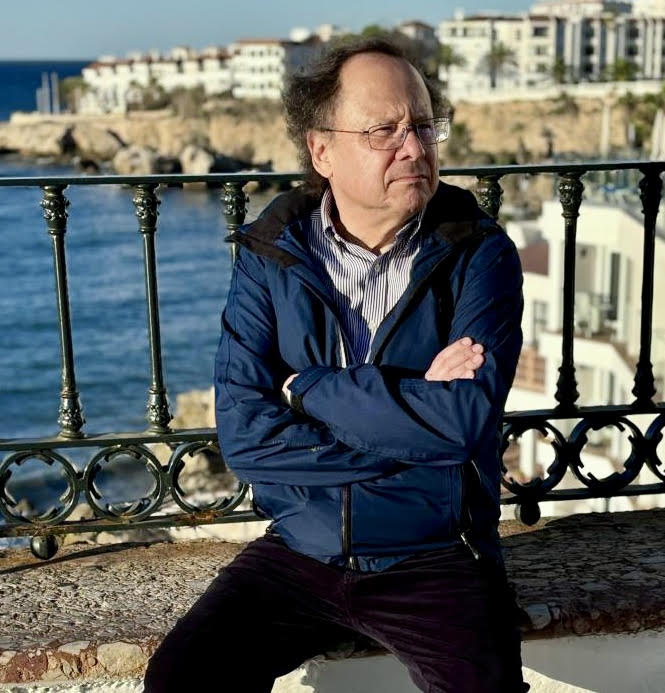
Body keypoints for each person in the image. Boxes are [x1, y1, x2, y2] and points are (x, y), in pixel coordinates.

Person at [144, 37, 527, 692]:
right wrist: (409, 433)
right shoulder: (269, 255)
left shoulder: (478, 254)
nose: (414, 148)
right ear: (321, 150)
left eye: (423, 125)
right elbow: (245, 437)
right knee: (182, 678)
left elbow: (461, 424)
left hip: (433, 553)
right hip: (301, 547)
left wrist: (307, 390)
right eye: (384, 131)